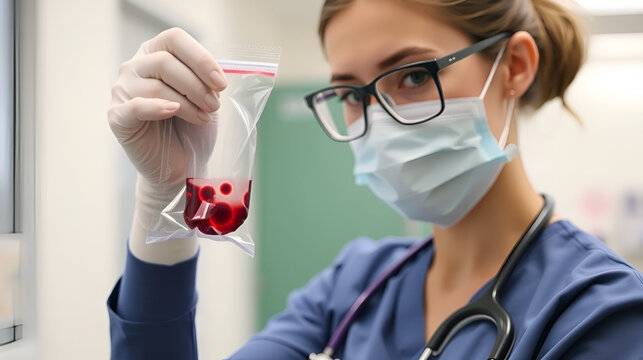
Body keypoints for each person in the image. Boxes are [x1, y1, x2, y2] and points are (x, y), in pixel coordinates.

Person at [106, 0, 643, 359]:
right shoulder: (357, 284)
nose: (378, 117)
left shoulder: (596, 309)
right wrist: (165, 196)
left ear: (514, 66)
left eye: (413, 75)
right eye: (351, 94)